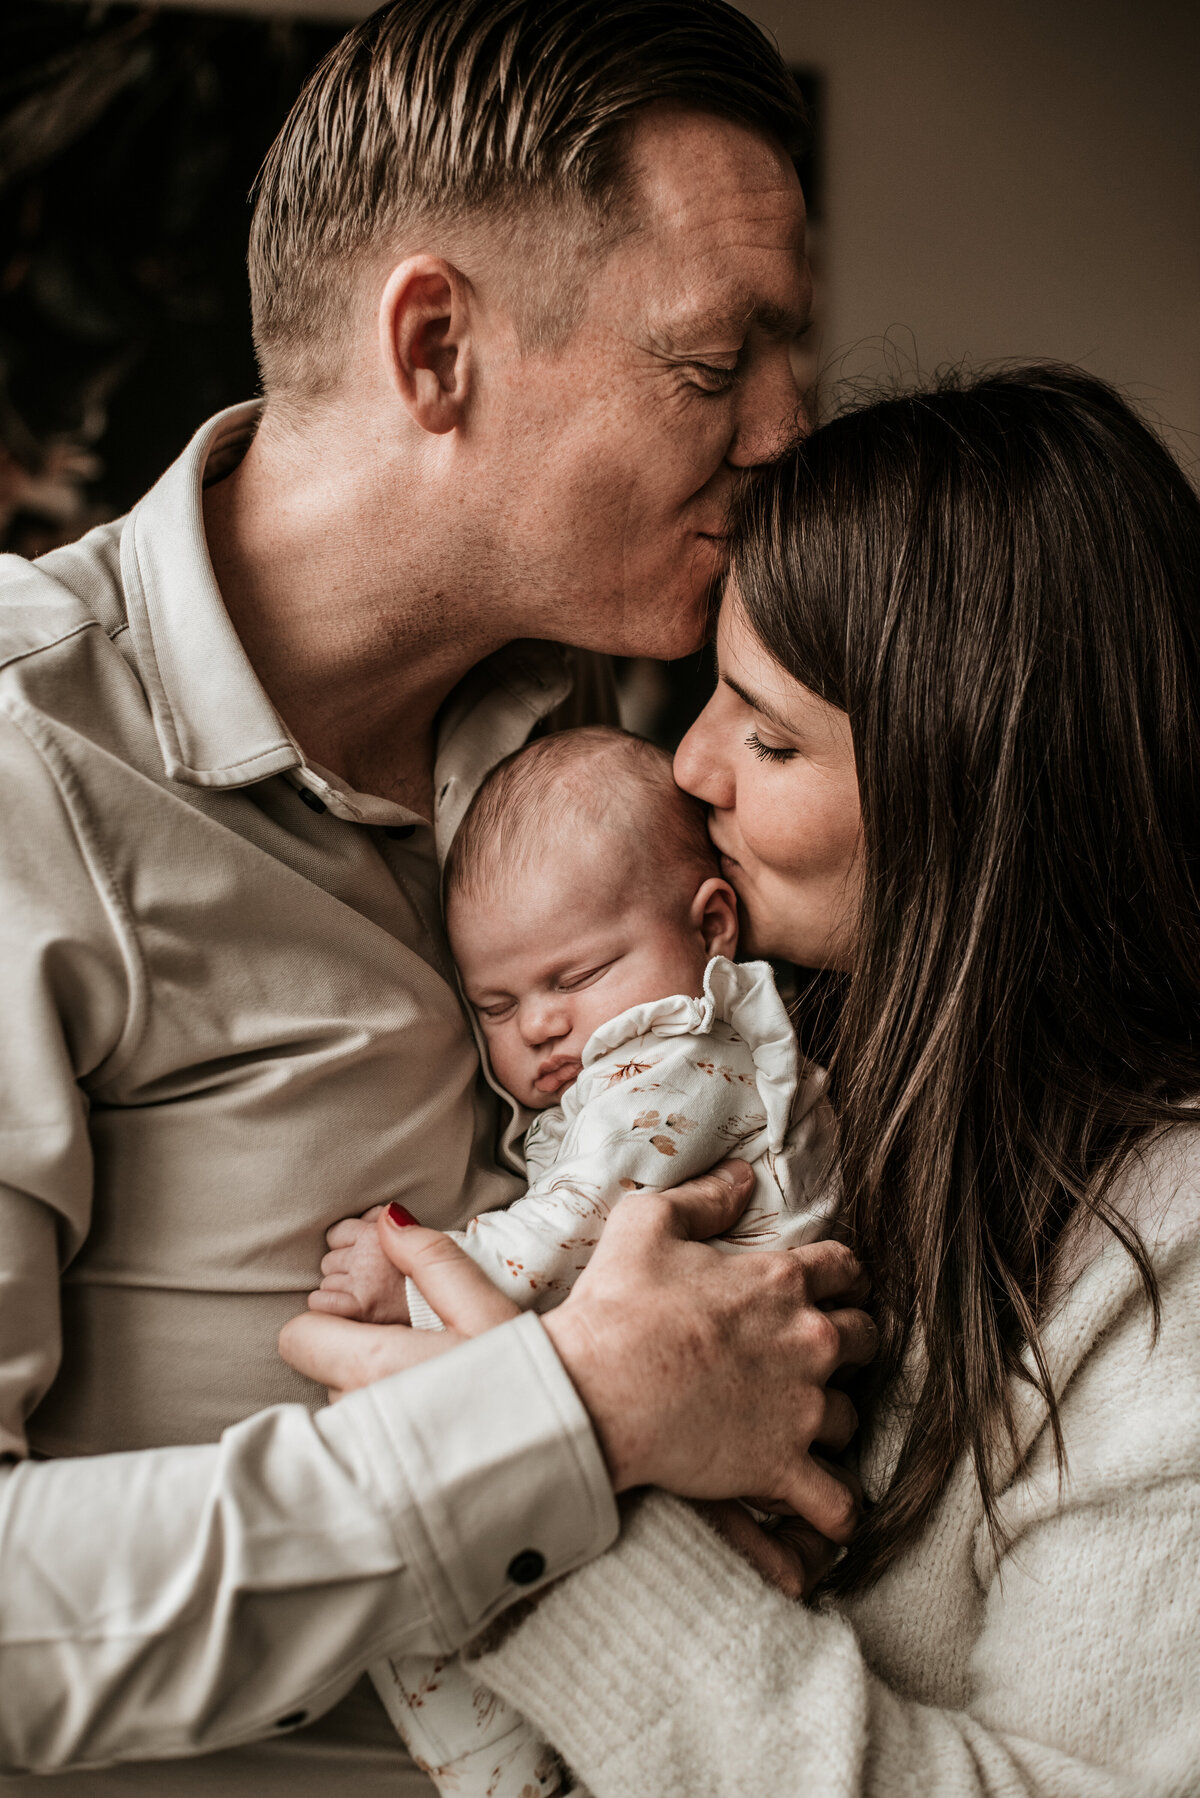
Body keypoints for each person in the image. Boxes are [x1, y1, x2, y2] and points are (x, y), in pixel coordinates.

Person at [0, 2, 876, 1791]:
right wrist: (571, 1421)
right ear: (436, 346)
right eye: (720, 362)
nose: (794, 429)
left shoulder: (632, 747)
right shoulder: (30, 770)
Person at [289, 367, 1200, 1794]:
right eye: (709, 689)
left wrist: (534, 1498)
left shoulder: (1171, 1259)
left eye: (770, 736)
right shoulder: (766, 1054)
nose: (691, 762)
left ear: (978, 812)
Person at [312, 726, 842, 1798]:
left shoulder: (690, 1055)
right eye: (496, 1006)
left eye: (578, 973)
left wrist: (413, 1273)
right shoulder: (610, 1061)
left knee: (414, 1550)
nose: (541, 1026)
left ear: (710, 926)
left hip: (731, 1440)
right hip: (672, 1417)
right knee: (414, 1584)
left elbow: (573, 1224)